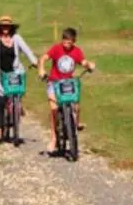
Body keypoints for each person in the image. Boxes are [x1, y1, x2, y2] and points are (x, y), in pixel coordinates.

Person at [0, 14, 38, 141]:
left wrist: (34, 61)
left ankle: (16, 110)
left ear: (11, 27)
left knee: (17, 93)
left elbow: (27, 50)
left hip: (15, 72)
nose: (5, 28)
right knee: (0, 100)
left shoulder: (16, 38)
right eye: (3, 26)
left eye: (7, 26)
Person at [39, 27, 94, 156]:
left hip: (68, 83)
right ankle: (53, 138)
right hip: (54, 82)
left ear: (74, 41)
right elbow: (43, 58)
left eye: (69, 42)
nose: (66, 44)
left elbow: (83, 61)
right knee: (53, 109)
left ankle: (75, 124)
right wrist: (41, 69)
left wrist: (89, 65)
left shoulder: (77, 51)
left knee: (76, 105)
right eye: (64, 41)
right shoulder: (56, 49)